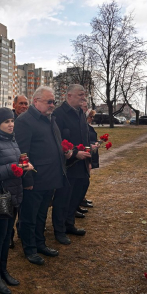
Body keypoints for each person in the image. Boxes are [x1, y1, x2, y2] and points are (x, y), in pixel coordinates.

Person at [14, 86, 68, 266]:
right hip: (35, 179)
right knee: (29, 217)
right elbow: (22, 154)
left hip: (50, 177)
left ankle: (40, 244)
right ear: (36, 101)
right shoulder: (25, 121)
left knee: (42, 214)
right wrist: (27, 180)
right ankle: (30, 249)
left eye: (54, 101)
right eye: (49, 102)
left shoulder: (49, 119)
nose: (53, 105)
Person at [0, 108, 33, 294]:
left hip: (13, 195)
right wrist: (14, 168)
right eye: (6, 122)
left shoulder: (11, 139)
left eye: (12, 120)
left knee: (6, 238)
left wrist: (23, 167)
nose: (11, 124)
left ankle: (3, 271)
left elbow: (15, 164)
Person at [52, 84, 91, 245]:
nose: (83, 97)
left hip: (82, 164)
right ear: (69, 96)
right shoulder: (59, 114)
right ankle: (59, 230)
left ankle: (69, 224)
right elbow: (57, 140)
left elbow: (85, 137)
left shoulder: (81, 113)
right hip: (67, 165)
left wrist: (89, 160)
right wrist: (75, 153)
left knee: (77, 196)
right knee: (63, 199)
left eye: (84, 95)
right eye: (80, 95)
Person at [10, 95, 29, 248]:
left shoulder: (28, 120)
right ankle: (9, 236)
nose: (23, 106)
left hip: (25, 167)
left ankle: (22, 231)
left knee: (23, 205)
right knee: (12, 206)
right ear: (14, 104)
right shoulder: (10, 121)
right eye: (21, 103)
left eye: (26, 104)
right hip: (12, 169)